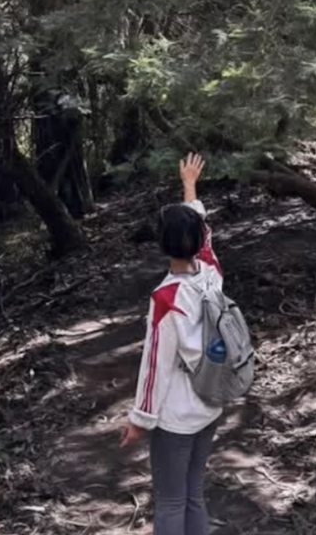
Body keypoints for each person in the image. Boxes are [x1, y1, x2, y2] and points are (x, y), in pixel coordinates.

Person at [121, 153, 225, 535]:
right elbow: (206, 235)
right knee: (194, 493)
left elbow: (155, 367)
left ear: (162, 245)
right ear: (197, 241)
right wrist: (190, 188)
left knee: (169, 501)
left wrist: (139, 420)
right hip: (210, 403)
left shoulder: (165, 298)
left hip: (176, 416)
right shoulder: (211, 275)